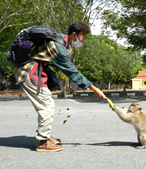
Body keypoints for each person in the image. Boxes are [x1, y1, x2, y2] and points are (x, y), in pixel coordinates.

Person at [15, 21, 106, 152]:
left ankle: (45, 136)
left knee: (46, 103)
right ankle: (42, 142)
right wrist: (94, 88)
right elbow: (72, 72)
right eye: (83, 38)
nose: (84, 41)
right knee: (47, 105)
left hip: (36, 72)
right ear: (74, 35)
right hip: (31, 73)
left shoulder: (59, 39)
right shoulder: (58, 47)